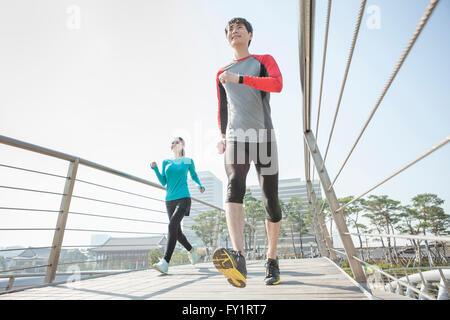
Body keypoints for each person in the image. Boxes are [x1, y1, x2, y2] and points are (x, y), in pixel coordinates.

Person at [213, 17, 283, 288]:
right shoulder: (221, 72)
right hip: (236, 138)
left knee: (271, 200)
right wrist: (221, 137)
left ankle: (272, 258)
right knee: (234, 185)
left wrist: (240, 77)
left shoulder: (263, 60)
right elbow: (222, 108)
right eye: (230, 29)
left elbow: (276, 85)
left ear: (250, 34)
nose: (234, 32)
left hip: (263, 135)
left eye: (239, 28)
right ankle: (239, 256)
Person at [150, 137, 205, 274]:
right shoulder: (166, 162)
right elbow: (163, 181)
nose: (173, 144)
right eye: (172, 143)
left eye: (176, 142)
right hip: (169, 200)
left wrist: (199, 185)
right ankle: (192, 250)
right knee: (177, 232)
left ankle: (165, 262)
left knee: (171, 225)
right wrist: (156, 169)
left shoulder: (188, 161)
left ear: (182, 145)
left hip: (184, 198)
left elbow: (194, 176)